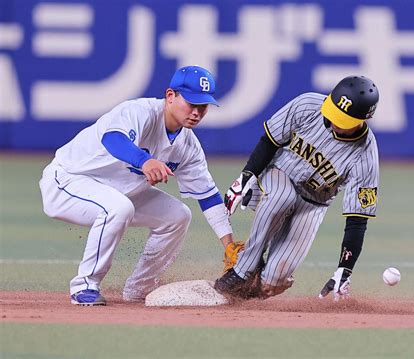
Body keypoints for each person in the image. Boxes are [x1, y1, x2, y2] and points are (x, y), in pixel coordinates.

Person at [39, 65, 238, 306]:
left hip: (117, 192)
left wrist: (228, 245)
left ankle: (140, 287)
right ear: (170, 96)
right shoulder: (139, 112)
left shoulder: (188, 146)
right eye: (191, 103)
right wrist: (145, 161)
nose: (196, 112)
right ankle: (85, 285)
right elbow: (113, 138)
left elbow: (209, 198)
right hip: (68, 181)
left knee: (177, 216)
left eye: (203, 106)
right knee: (118, 208)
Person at [215, 75, 380, 301]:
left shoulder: (365, 155)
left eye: (342, 119)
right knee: (282, 198)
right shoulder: (308, 105)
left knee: (272, 282)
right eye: (334, 112)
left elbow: (357, 219)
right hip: (277, 176)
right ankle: (242, 271)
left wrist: (345, 269)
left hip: (313, 204)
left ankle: (245, 293)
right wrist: (247, 176)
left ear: (362, 120)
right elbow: (270, 140)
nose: (333, 121)